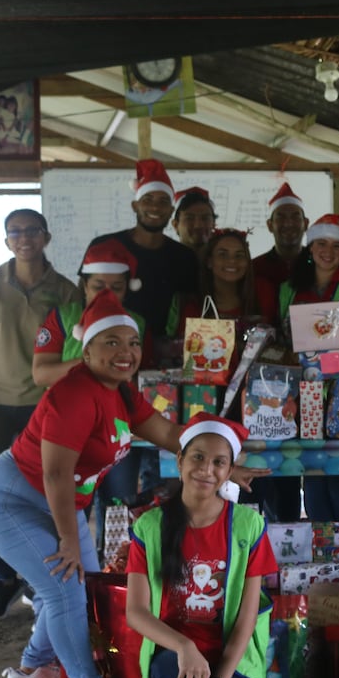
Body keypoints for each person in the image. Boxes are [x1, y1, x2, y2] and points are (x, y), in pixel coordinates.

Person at [0, 292, 178, 678]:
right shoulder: (74, 392)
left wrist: (222, 459)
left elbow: (168, 433)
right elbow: (55, 476)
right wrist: (70, 537)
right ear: (85, 351)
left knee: (81, 588)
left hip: (60, 501)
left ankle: (34, 673)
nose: (125, 352)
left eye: (133, 343)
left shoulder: (122, 393)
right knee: (65, 586)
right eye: (111, 342)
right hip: (13, 499)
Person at [126, 413, 276, 678]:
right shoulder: (150, 526)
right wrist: (184, 647)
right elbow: (135, 612)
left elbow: (246, 619)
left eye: (219, 462)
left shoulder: (248, 526)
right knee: (170, 671)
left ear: (229, 470)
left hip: (231, 659)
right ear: (179, 461)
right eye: (197, 457)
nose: (206, 470)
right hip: (177, 656)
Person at [0, 208, 82, 622]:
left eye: (31, 230)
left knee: (45, 498)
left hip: (44, 410)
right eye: (15, 232)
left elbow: (72, 356)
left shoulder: (67, 292)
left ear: (46, 237)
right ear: (7, 242)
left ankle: (39, 579)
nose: (24, 238)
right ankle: (3, 580)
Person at [32, 239, 148, 563]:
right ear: (84, 285)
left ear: (128, 288)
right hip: (64, 430)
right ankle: (59, 563)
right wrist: (95, 363)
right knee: (59, 502)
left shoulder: (134, 322)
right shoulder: (62, 317)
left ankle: (110, 569)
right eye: (98, 285)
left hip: (115, 428)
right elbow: (41, 373)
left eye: (116, 286)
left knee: (118, 502)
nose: (106, 293)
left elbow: (138, 378)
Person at [280, 214, 339, 524]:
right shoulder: (289, 288)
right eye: (321, 243)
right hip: (302, 389)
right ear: (310, 247)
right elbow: (282, 338)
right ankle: (323, 542)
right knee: (313, 469)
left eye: (336, 245)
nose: (328, 251)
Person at [87, 159, 198, 367]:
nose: (155, 206)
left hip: (163, 361)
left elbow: (188, 311)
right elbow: (85, 296)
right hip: (110, 354)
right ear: (135, 205)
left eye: (164, 201)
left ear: (171, 210)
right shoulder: (104, 246)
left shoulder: (183, 257)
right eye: (148, 199)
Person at [251, 182, 308, 291]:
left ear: (305, 224)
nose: (288, 223)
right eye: (280, 217)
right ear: (270, 225)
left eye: (295, 217)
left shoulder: (319, 265)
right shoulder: (254, 268)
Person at [172, 186, 217, 251]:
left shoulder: (226, 260)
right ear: (175, 225)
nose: (198, 225)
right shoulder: (163, 260)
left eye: (205, 218)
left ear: (213, 224)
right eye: (190, 218)